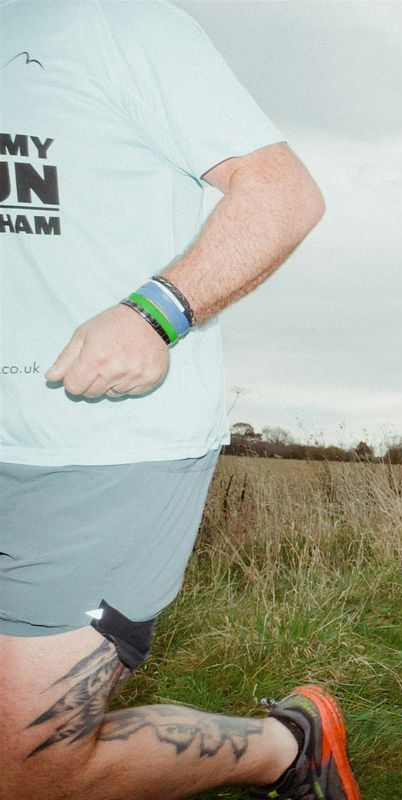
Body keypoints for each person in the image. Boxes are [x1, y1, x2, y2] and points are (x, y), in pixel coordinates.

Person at [0, 3, 359, 799]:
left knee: (29, 769)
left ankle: (288, 748)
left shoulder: (115, 22)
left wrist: (153, 314)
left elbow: (283, 193)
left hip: (98, 450)